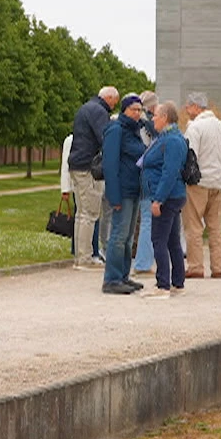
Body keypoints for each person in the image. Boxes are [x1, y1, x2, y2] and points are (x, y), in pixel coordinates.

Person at [137, 102, 189, 298]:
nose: (152, 119)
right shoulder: (166, 137)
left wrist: (158, 200)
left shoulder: (173, 140)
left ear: (165, 117)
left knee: (158, 239)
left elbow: (169, 172)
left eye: (156, 115)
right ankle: (177, 283)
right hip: (169, 195)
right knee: (172, 241)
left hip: (168, 197)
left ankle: (163, 285)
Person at [99, 94, 148, 295]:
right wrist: (114, 196)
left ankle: (123, 276)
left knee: (128, 237)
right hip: (122, 191)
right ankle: (111, 279)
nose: (137, 113)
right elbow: (109, 165)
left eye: (139, 109)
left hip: (135, 189)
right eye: (133, 109)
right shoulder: (116, 130)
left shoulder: (134, 130)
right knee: (118, 236)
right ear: (124, 109)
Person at [180, 92, 221, 279]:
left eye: (188, 105)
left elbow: (190, 155)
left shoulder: (195, 127)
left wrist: (186, 178)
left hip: (198, 183)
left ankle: (195, 267)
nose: (186, 109)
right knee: (215, 227)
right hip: (217, 182)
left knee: (193, 225)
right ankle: (217, 268)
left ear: (196, 107)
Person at [68, 87, 118, 270]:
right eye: (114, 101)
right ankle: (85, 259)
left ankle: (81, 256)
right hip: (88, 167)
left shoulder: (86, 107)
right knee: (89, 214)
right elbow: (106, 137)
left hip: (78, 165)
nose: (114, 105)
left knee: (82, 214)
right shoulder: (99, 111)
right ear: (109, 97)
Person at [133, 90, 160, 278]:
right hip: (147, 177)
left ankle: (141, 260)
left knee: (141, 220)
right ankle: (142, 263)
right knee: (147, 220)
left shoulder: (135, 123)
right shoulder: (148, 126)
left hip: (137, 176)